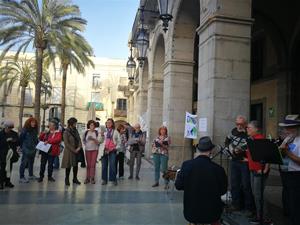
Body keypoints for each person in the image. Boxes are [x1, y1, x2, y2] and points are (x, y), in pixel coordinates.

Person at [175, 136, 227, 225]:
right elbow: (223, 191)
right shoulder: (219, 169)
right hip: (212, 214)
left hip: (191, 213)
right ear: (211, 150)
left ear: (198, 150)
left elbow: (178, 186)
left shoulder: (187, 165)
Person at [225, 115, 254, 213]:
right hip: (234, 161)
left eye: (241, 124)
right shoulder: (233, 131)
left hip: (244, 162)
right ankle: (236, 204)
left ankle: (249, 207)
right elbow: (227, 141)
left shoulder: (249, 133)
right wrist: (230, 149)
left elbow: (252, 147)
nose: (239, 126)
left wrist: (242, 151)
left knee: (246, 185)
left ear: (245, 124)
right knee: (234, 184)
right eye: (237, 124)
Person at [246, 121, 272, 224]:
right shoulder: (251, 140)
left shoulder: (261, 140)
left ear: (256, 129)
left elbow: (268, 156)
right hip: (253, 169)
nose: (247, 129)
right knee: (255, 194)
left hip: (259, 171)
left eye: (249, 128)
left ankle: (265, 218)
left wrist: (265, 170)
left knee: (258, 195)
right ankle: (258, 215)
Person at [278, 115, 300, 225]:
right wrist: (282, 150)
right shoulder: (291, 139)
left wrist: (287, 152)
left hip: (297, 175)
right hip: (288, 172)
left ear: (295, 128)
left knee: (296, 202)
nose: (285, 130)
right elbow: (283, 155)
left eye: (288, 128)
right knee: (291, 201)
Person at [61, 117, 82, 186]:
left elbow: (79, 139)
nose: (75, 124)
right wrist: (74, 150)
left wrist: (79, 147)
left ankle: (75, 178)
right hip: (69, 152)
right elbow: (66, 143)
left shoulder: (76, 131)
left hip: (76, 150)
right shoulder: (66, 132)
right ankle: (66, 179)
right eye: (75, 123)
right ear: (71, 124)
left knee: (75, 165)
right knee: (68, 165)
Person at [100, 118, 121, 186]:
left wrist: (115, 148)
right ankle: (104, 180)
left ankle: (113, 179)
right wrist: (102, 135)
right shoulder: (104, 131)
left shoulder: (115, 132)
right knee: (104, 166)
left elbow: (119, 142)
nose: (108, 123)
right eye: (107, 122)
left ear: (112, 124)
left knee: (112, 165)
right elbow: (100, 141)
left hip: (112, 150)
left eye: (110, 122)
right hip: (104, 150)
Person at [0, 120, 20, 189]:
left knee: (9, 167)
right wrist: (6, 140)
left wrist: (13, 140)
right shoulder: (1, 133)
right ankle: (1, 182)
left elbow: (18, 142)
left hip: (11, 154)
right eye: (8, 128)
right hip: (2, 154)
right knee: (2, 168)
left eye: (11, 128)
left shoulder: (14, 133)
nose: (9, 129)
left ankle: (8, 182)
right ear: (5, 127)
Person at [19, 117, 39, 183]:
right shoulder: (25, 130)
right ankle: (21, 177)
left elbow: (36, 139)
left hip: (33, 149)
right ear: (29, 123)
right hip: (26, 148)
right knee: (24, 163)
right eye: (32, 122)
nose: (34, 123)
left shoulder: (35, 130)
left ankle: (31, 175)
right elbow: (21, 138)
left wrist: (39, 144)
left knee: (31, 162)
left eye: (35, 122)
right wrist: (21, 147)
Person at [82, 120, 100, 184]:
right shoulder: (86, 132)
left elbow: (99, 142)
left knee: (93, 164)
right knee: (88, 165)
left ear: (95, 126)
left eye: (93, 125)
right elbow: (83, 140)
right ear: (89, 125)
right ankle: (87, 178)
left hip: (95, 149)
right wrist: (86, 144)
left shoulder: (97, 132)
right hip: (87, 150)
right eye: (91, 125)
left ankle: (92, 178)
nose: (92, 126)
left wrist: (93, 139)